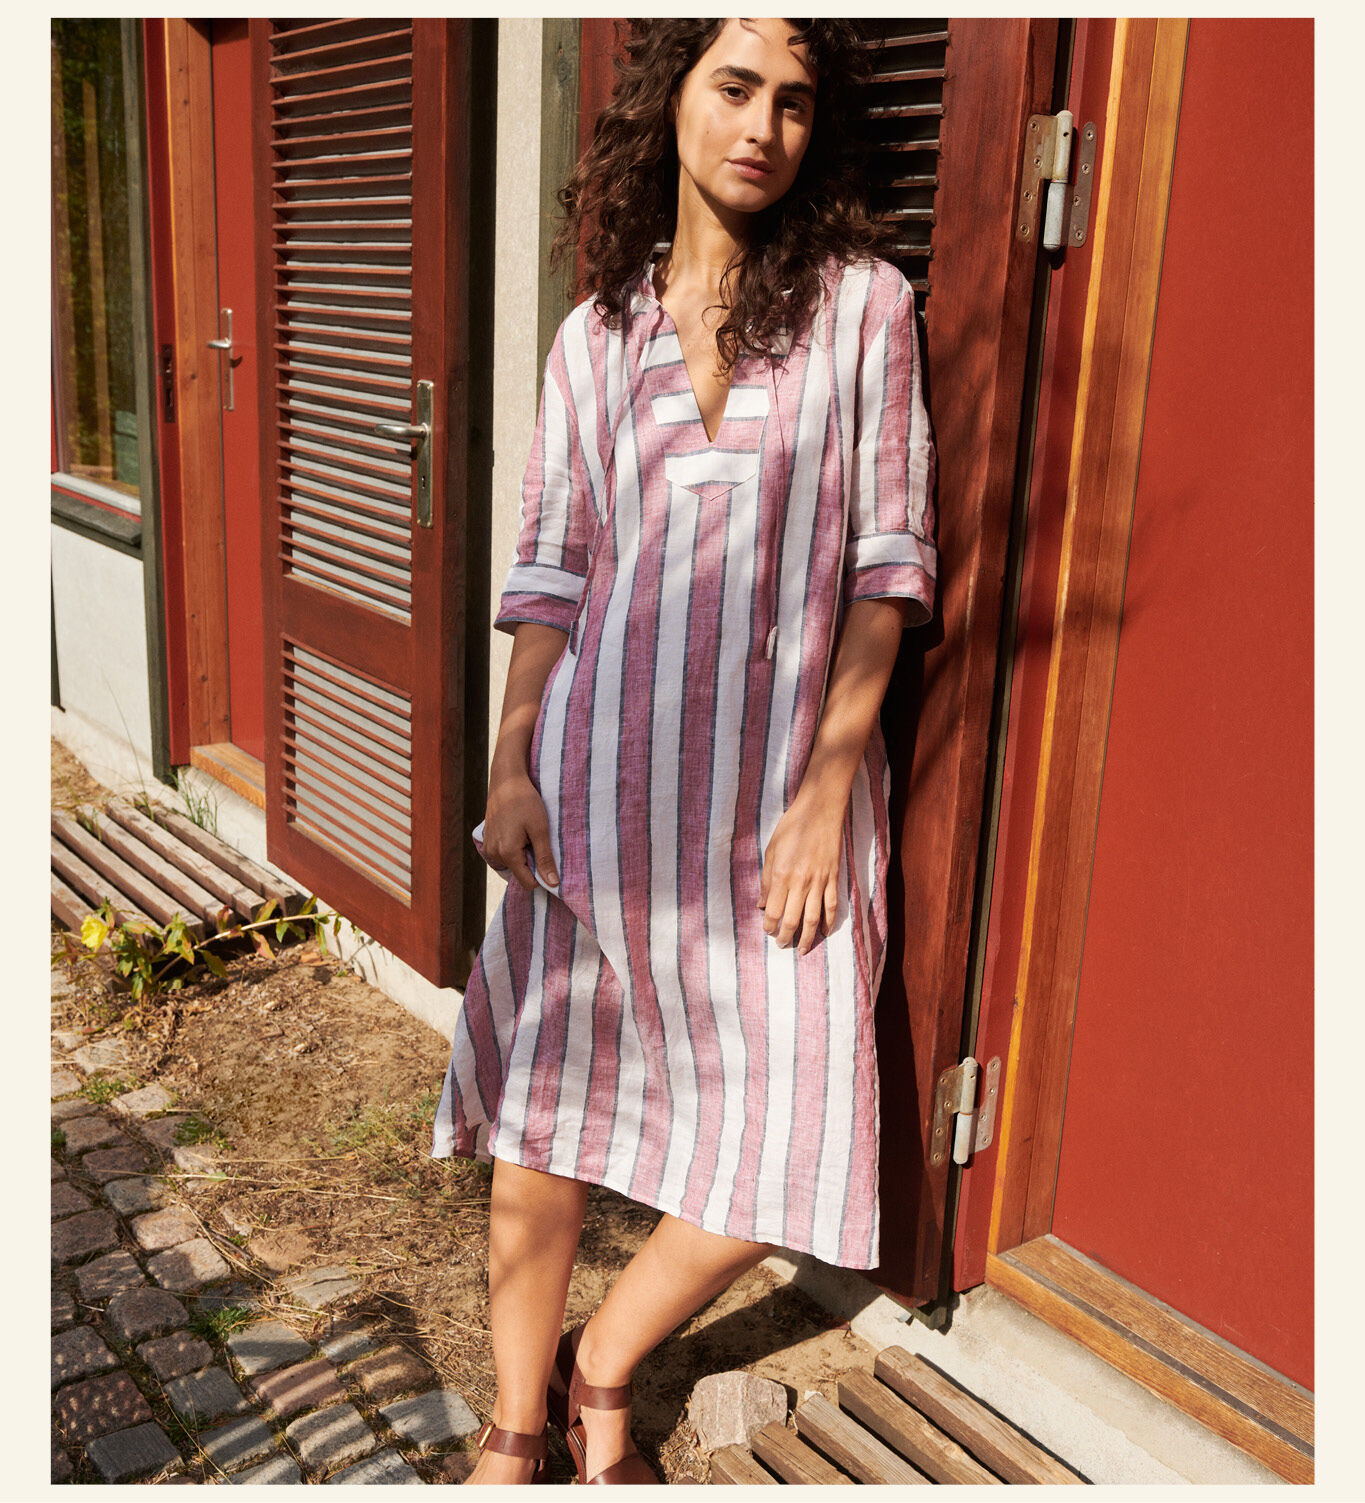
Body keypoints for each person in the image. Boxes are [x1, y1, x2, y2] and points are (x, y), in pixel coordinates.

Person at [429, 16, 937, 1485]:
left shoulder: (862, 309)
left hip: (780, 802)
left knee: (793, 1117)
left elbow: (887, 565)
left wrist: (825, 792)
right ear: (671, 102)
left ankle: (604, 1360)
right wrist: (511, 763)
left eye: (795, 101)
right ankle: (521, 1421)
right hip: (596, 784)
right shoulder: (594, 337)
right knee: (547, 1109)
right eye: (735, 86)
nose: (763, 126)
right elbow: (550, 574)